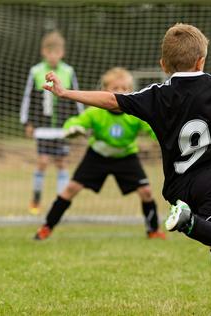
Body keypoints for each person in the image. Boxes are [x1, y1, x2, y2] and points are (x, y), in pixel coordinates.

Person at [42, 23, 211, 316]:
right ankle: (189, 223)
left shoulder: (156, 94)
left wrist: (65, 93)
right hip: (210, 179)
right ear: (202, 60)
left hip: (177, 187)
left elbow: (111, 100)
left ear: (163, 65)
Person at [34, 67, 166, 240]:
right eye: (115, 88)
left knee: (146, 192)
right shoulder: (95, 112)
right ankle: (46, 227)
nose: (120, 92)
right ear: (104, 91)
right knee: (71, 189)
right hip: (97, 156)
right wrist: (72, 129)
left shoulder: (136, 113)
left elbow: (154, 130)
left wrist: (164, 138)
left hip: (126, 157)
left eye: (125, 88)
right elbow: (74, 123)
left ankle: (153, 231)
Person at [20, 30, 83, 215]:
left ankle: (59, 204)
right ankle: (36, 198)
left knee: (62, 163)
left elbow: (76, 97)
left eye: (57, 52)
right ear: (44, 52)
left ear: (62, 52)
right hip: (42, 128)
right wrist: (27, 123)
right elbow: (28, 98)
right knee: (42, 161)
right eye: (50, 52)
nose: (53, 56)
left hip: (62, 128)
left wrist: (79, 122)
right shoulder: (36, 71)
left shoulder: (68, 71)